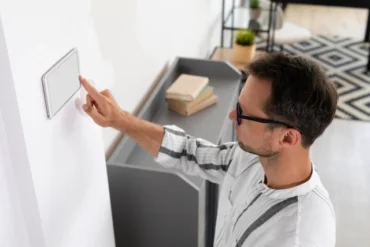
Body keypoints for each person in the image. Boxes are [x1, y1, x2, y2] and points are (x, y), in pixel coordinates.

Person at [79, 52, 338, 247]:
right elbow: (188, 152)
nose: (231, 116)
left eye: (243, 114)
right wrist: (119, 119)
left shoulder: (298, 235)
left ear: (288, 138)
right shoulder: (252, 157)